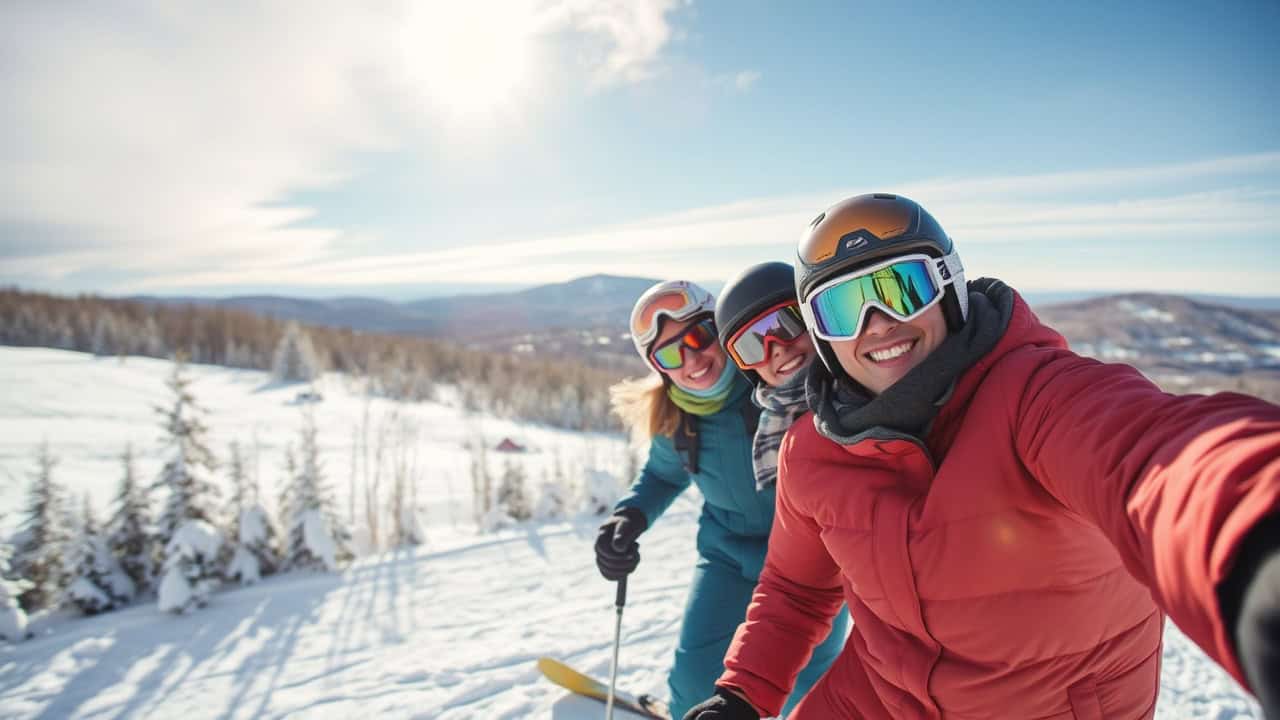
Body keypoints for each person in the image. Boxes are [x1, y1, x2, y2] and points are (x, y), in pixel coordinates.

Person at [684, 193, 1280, 719]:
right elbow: (795, 589)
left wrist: (1256, 547)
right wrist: (743, 694)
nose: (877, 324)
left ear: (949, 284)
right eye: (843, 309)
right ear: (825, 336)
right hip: (882, 697)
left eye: (900, 288)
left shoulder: (1036, 395)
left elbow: (1155, 457)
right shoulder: (811, 451)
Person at [595, 280, 845, 719]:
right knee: (695, 677)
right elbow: (661, 474)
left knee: (809, 686)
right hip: (727, 557)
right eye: (670, 354)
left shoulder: (775, 386)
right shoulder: (676, 415)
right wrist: (628, 517)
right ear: (658, 367)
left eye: (698, 337)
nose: (691, 359)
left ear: (721, 332)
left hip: (811, 566)